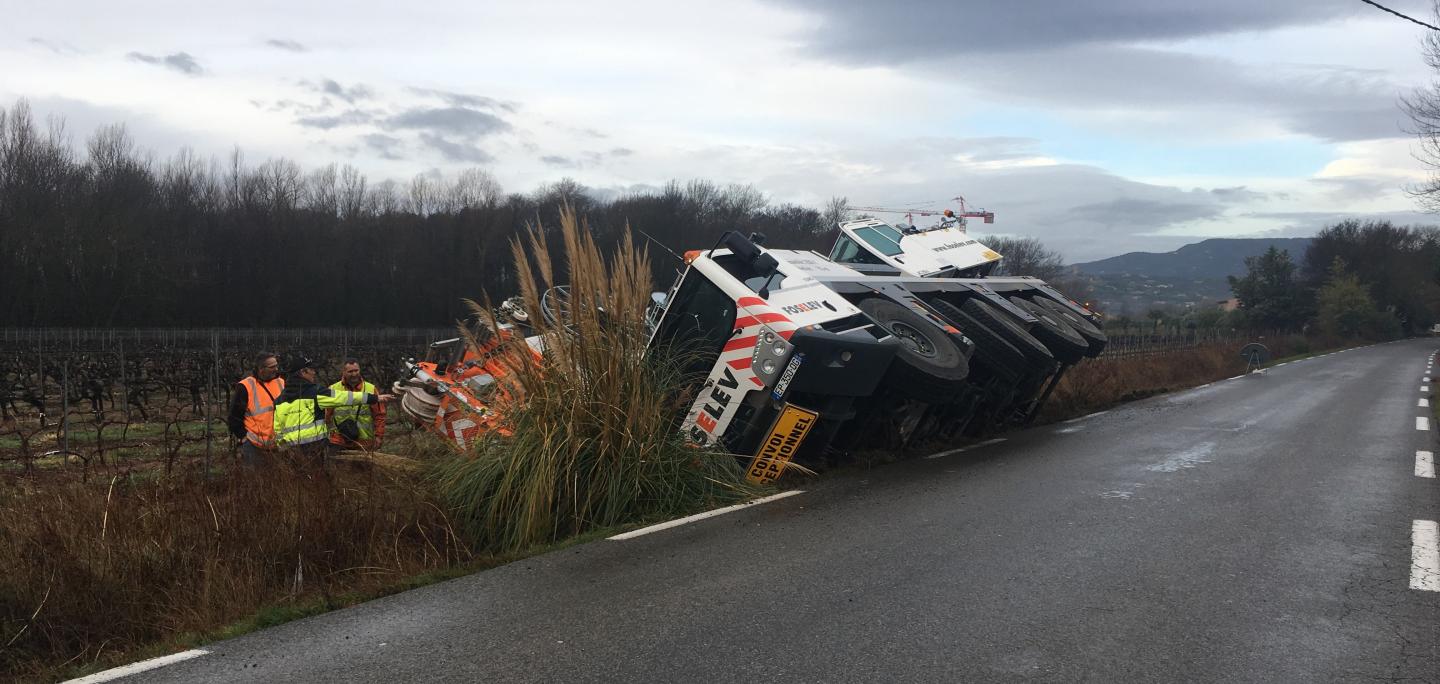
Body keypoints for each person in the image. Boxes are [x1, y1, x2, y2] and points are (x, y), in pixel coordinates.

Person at [273, 354, 392, 461]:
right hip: (314, 450)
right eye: (311, 370)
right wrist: (374, 398)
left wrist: (284, 451)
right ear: (303, 372)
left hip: (292, 454)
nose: (314, 373)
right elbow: (344, 397)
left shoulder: (279, 400)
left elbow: (278, 430)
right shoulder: (316, 393)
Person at [227, 351, 285, 466]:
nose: (276, 369)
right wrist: (243, 437)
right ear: (261, 369)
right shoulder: (245, 386)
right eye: (272, 367)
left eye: (276, 365)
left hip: (278, 443)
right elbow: (234, 416)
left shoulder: (281, 382)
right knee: (255, 480)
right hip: (254, 445)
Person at [326, 358, 386, 453]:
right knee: (337, 468)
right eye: (350, 371)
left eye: (356, 370)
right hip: (338, 441)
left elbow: (379, 415)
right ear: (343, 372)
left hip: (364, 442)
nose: (354, 374)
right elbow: (326, 416)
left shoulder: (371, 389)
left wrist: (379, 436)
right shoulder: (332, 389)